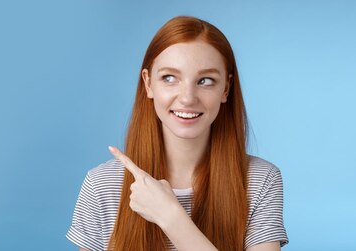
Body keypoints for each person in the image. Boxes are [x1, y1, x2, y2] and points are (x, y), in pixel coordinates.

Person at [66, 16, 288, 251]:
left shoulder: (260, 181)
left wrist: (171, 217)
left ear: (226, 88)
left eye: (205, 80)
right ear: (148, 84)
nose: (187, 98)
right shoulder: (103, 184)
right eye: (169, 78)